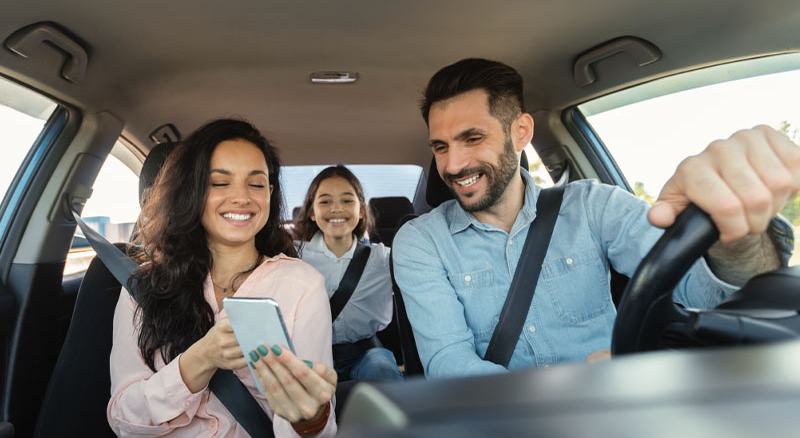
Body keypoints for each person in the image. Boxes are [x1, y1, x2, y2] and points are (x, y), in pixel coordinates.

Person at [391, 58, 799, 379]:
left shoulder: (594, 206)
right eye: (441, 146)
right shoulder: (421, 240)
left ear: (520, 132)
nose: (454, 164)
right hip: (501, 421)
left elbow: (705, 298)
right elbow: (449, 362)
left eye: (472, 138)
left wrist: (732, 230)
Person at [107, 119, 337, 437]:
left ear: (270, 192)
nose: (241, 197)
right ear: (193, 190)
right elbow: (123, 420)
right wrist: (202, 358)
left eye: (256, 184)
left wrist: (309, 417)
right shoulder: (144, 287)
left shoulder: (302, 285)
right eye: (219, 183)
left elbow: (317, 431)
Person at [294, 165, 404, 382]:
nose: (336, 209)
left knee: (381, 369)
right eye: (325, 201)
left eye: (347, 200)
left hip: (367, 354)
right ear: (312, 213)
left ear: (361, 210)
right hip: (312, 356)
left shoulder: (382, 258)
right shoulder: (293, 257)